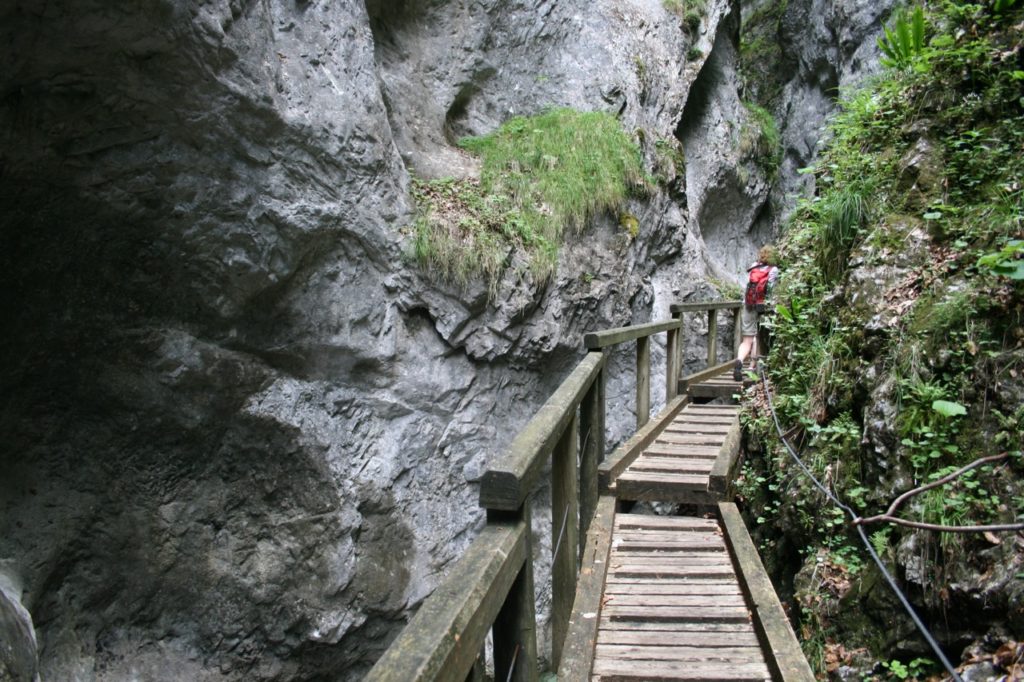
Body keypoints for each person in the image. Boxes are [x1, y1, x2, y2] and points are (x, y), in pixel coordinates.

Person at [734, 245, 780, 381]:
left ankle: (739, 361)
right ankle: (753, 367)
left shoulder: (754, 266)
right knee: (758, 337)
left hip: (748, 305)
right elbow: (770, 288)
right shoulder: (774, 270)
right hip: (762, 306)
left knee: (747, 339)